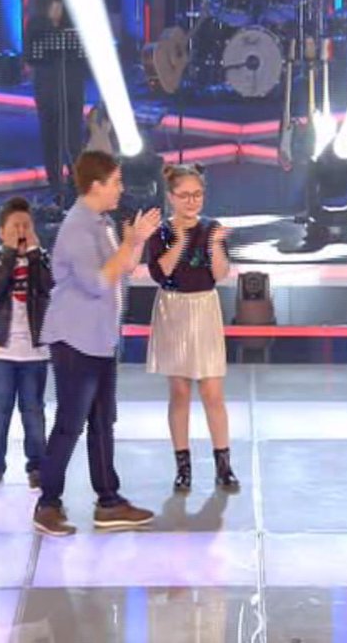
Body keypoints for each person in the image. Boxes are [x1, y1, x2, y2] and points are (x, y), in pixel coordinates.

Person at [33, 150, 162, 536]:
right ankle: (47, 503)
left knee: (103, 421)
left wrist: (135, 243)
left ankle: (109, 501)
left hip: (100, 339)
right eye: (116, 182)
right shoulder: (77, 227)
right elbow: (95, 281)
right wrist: (129, 243)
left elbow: (123, 268)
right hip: (76, 339)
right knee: (70, 423)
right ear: (95, 185)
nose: (121, 189)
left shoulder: (101, 223)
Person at [145, 164, 238, 492]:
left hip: (204, 307)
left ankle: (223, 464)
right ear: (171, 197)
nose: (191, 201)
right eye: (184, 195)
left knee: (212, 391)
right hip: (173, 308)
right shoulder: (161, 233)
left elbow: (220, 273)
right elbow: (161, 273)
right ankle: (182, 466)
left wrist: (214, 246)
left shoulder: (212, 228)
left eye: (197, 195)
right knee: (180, 391)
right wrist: (181, 241)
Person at [0, 197, 53, 491]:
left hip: (35, 350)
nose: (21, 231)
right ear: (2, 232)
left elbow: (49, 285)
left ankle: (37, 467)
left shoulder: (41, 259)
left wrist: (33, 254)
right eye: (15, 226)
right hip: (0, 349)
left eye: (26, 226)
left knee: (33, 411)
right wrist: (9, 254)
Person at [26, 0, 87, 205]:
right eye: (54, 5)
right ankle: (55, 186)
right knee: (51, 140)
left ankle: (76, 185)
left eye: (60, 5)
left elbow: (84, 60)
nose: (58, 9)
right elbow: (31, 57)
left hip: (72, 91)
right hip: (48, 91)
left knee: (74, 140)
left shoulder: (72, 29)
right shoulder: (36, 27)